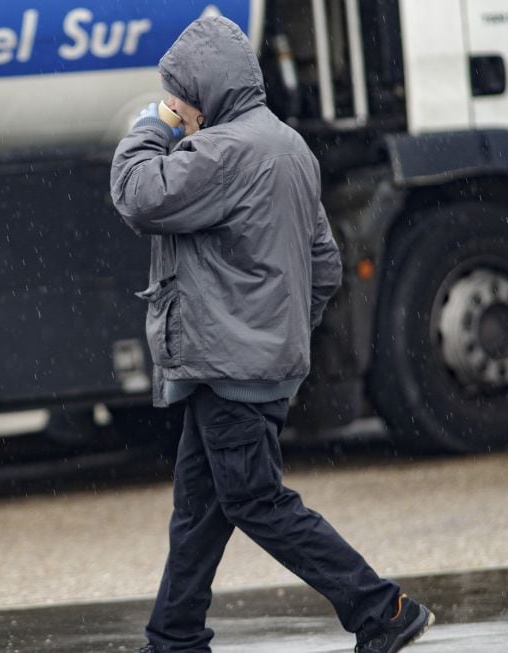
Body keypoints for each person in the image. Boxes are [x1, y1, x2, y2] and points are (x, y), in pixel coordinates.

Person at [109, 16, 434, 653]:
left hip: (231, 365)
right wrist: (282, 331)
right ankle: (173, 636)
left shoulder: (224, 152)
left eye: (182, 95)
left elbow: (138, 196)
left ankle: (382, 609)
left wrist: (152, 123)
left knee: (257, 500)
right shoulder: (288, 146)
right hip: (247, 363)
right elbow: (325, 265)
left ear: (205, 90)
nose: (181, 108)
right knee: (201, 510)